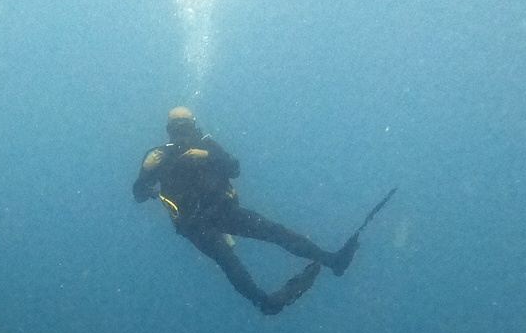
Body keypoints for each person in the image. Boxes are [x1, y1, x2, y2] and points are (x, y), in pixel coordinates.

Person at [132, 106, 359, 315]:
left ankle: (331, 260)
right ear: (168, 130)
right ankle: (264, 302)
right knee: (228, 259)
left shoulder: (207, 145)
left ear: (194, 125)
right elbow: (140, 194)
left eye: (186, 125)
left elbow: (234, 169)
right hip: (193, 223)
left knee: (275, 232)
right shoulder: (158, 156)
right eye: (176, 127)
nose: (182, 132)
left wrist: (209, 155)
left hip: (223, 210)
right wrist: (146, 170)